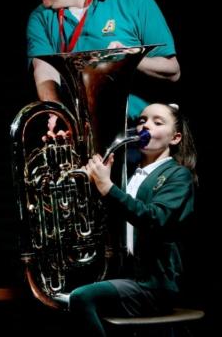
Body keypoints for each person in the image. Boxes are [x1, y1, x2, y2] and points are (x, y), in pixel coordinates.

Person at [23, 0, 181, 135]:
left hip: (140, 135)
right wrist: (57, 114)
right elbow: (44, 70)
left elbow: (173, 71)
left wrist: (132, 59)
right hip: (82, 137)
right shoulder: (40, 18)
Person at [71, 103, 197, 336]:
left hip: (155, 284)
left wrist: (107, 188)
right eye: (141, 121)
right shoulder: (127, 173)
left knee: (82, 298)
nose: (145, 125)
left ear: (175, 138)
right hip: (126, 276)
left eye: (158, 122)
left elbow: (155, 218)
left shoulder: (178, 175)